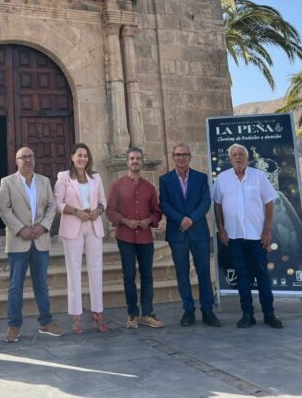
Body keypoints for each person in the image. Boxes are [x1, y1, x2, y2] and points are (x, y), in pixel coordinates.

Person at [213, 143, 283, 329]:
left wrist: (267, 229)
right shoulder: (222, 179)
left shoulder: (259, 176)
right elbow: (218, 205)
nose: (238, 157)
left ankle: (269, 314)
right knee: (242, 277)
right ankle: (247, 314)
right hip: (234, 237)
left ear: (247, 158)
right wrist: (221, 227)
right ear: (230, 159)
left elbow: (269, 203)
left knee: (262, 276)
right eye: (234, 155)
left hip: (256, 237)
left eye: (241, 154)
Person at [0, 147, 64, 342]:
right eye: (23, 157)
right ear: (16, 161)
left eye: (30, 157)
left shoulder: (44, 181)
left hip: (40, 240)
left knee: (41, 284)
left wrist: (43, 227)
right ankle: (13, 325)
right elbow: (4, 209)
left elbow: (52, 206)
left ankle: (46, 322)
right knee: (15, 285)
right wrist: (21, 229)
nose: (27, 160)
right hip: (19, 241)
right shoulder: (7, 182)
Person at [159, 143, 221, 327]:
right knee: (182, 273)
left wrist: (191, 219)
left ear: (190, 156)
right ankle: (188, 310)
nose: (181, 158)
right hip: (177, 233)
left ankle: (208, 310)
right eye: (177, 155)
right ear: (173, 157)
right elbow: (164, 203)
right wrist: (181, 220)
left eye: (184, 154)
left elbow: (205, 201)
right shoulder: (165, 179)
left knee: (203, 272)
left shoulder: (201, 178)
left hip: (198, 232)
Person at [106, 147, 165, 329]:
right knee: (129, 276)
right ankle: (132, 314)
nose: (135, 161)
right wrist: (124, 221)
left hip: (146, 238)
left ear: (142, 162)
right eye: (132, 158)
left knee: (147, 275)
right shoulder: (117, 185)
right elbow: (110, 210)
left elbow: (157, 212)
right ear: (127, 162)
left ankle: (147, 314)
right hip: (126, 237)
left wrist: (149, 220)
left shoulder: (150, 187)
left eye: (138, 158)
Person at [54, 143, 108, 333]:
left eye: (85, 155)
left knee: (95, 269)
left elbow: (103, 201)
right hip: (73, 226)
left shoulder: (96, 178)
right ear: (72, 157)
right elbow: (58, 203)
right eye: (79, 155)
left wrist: (98, 211)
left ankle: (97, 312)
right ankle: (76, 316)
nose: (83, 159)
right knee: (74, 270)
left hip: (93, 225)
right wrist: (77, 212)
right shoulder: (64, 177)